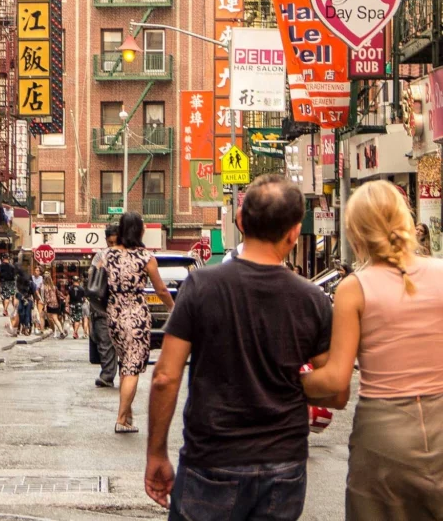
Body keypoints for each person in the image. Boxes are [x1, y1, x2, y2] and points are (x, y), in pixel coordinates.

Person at [146, 175, 347, 518]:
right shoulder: (311, 300)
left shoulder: (201, 286)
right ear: (294, 232)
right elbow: (333, 389)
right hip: (283, 465)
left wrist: (156, 453)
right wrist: (287, 381)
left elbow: (165, 377)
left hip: (211, 459)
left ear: (241, 222)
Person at [302, 181, 443, 518]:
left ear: (356, 234)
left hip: (383, 437)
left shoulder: (355, 288)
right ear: (406, 221)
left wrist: (285, 381)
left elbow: (336, 381)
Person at [104, 212, 174, 433]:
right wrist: (173, 307)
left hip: (113, 314)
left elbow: (95, 281)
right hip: (135, 314)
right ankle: (121, 418)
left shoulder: (106, 254)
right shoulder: (145, 257)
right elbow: (161, 289)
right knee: (133, 367)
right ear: (140, 231)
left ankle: (128, 414)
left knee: (125, 364)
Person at [88, 224, 119, 388]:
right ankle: (107, 375)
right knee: (105, 342)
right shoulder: (100, 256)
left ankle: (126, 373)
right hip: (102, 307)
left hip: (122, 306)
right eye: (110, 242)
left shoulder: (126, 256)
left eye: (115, 242)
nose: (112, 246)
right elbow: (92, 279)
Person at [41, 272, 63, 336]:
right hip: (55, 304)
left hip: (49, 305)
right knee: (55, 319)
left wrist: (45, 305)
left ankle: (54, 331)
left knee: (47, 318)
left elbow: (45, 297)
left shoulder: (44, 287)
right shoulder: (54, 287)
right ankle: (61, 332)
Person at [15, 268, 35, 336]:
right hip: (21, 298)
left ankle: (26, 327)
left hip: (28, 298)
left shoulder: (30, 281)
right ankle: (21, 327)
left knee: (27, 314)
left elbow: (33, 290)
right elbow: (17, 290)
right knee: (21, 313)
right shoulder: (19, 280)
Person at [67, 275, 86, 339]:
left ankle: (75, 332)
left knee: (73, 319)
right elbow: (84, 298)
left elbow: (68, 297)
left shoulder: (70, 288)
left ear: (72, 281)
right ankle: (75, 332)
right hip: (79, 304)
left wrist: (66, 305)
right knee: (77, 319)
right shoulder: (82, 289)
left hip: (72, 304)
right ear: (78, 281)